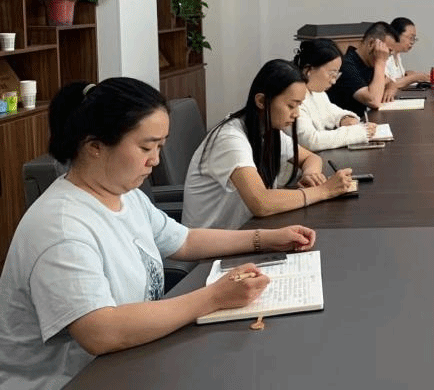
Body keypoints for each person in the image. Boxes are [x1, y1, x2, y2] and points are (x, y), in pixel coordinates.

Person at [0, 78, 317, 390]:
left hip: (127, 362)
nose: (155, 160)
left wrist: (264, 238)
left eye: (160, 147)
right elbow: (100, 332)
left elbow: (184, 240)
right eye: (146, 147)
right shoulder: (61, 229)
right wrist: (214, 297)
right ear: (94, 146)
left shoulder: (124, 194)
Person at [183, 59, 354, 230]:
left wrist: (311, 175)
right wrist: (323, 191)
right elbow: (261, 202)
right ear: (261, 101)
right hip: (214, 241)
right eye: (291, 106)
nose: (296, 114)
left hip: (248, 231)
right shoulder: (230, 139)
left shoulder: (268, 130)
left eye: (299, 105)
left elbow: (311, 158)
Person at [294, 39, 376, 151]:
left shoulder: (317, 92)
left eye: (336, 75)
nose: (333, 81)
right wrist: (357, 133)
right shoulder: (294, 98)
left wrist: (344, 118)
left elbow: (332, 111)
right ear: (308, 70)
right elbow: (311, 140)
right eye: (331, 74)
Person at [326, 21, 400, 116]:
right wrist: (381, 62)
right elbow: (373, 101)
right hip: (344, 122)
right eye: (387, 51)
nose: (387, 56)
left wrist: (391, 88)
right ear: (371, 43)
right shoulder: (346, 65)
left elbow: (389, 80)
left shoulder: (369, 63)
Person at [384, 17, 430, 89]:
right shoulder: (383, 54)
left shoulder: (397, 54)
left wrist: (407, 74)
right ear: (396, 35)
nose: (412, 42)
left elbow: (395, 77)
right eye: (411, 38)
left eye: (414, 39)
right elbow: (388, 85)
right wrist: (414, 77)